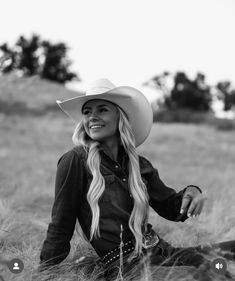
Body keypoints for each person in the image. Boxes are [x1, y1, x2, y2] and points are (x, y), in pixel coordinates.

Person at [39, 79, 235, 280]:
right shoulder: (75, 160)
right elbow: (60, 225)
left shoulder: (139, 164)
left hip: (162, 252)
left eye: (102, 110)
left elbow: (171, 208)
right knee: (206, 275)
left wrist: (192, 191)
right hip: (127, 266)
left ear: (120, 116)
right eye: (87, 112)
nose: (92, 117)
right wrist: (42, 272)